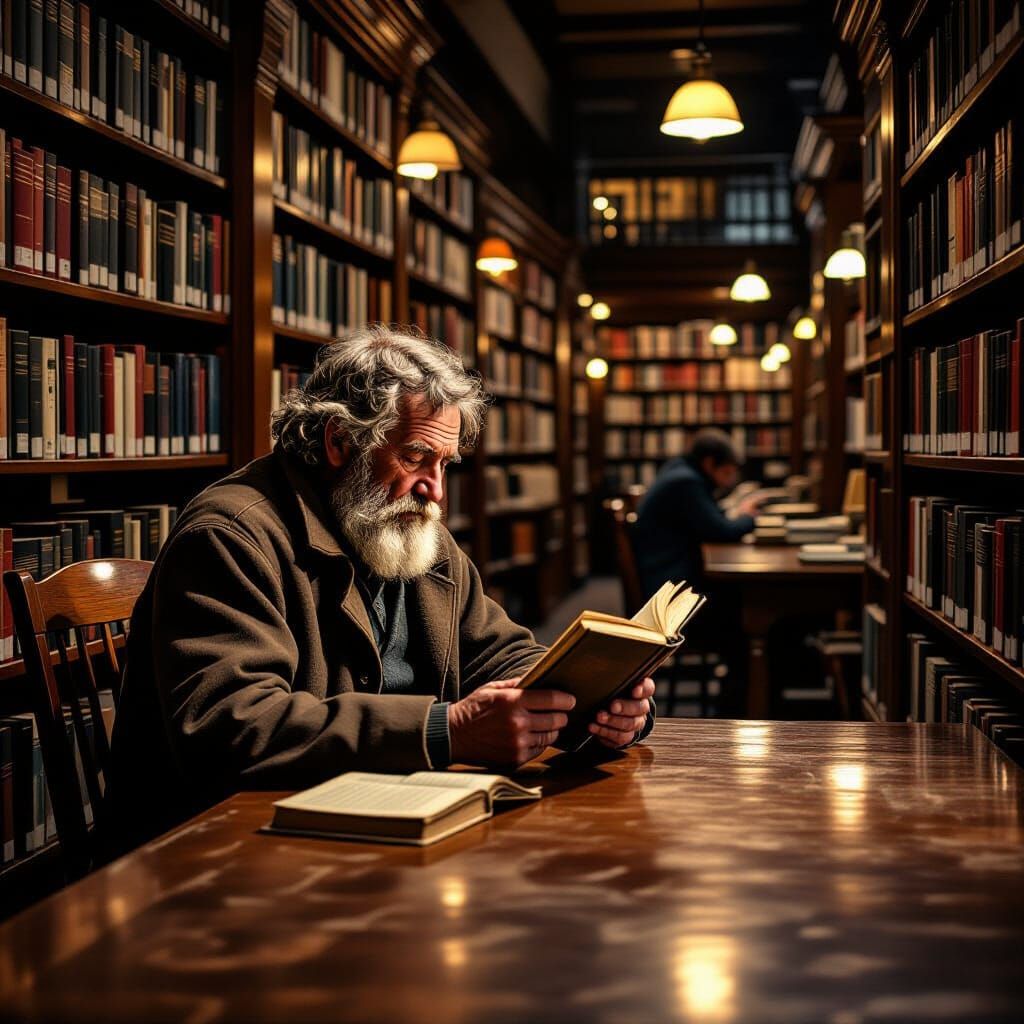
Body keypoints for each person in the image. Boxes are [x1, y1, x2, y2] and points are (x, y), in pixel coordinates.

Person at [109, 326, 654, 847]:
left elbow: (503, 655)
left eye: (445, 464)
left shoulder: (411, 530)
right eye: (415, 457)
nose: (435, 491)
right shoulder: (230, 536)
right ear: (340, 442)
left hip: (375, 820)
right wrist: (447, 730)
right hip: (225, 850)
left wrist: (597, 706)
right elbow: (231, 728)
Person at [632, 428, 763, 598]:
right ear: (709, 463)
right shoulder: (686, 482)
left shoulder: (679, 469)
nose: (730, 480)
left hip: (663, 565)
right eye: (726, 472)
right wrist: (749, 516)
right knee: (738, 592)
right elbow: (722, 532)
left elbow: (705, 517)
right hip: (669, 578)